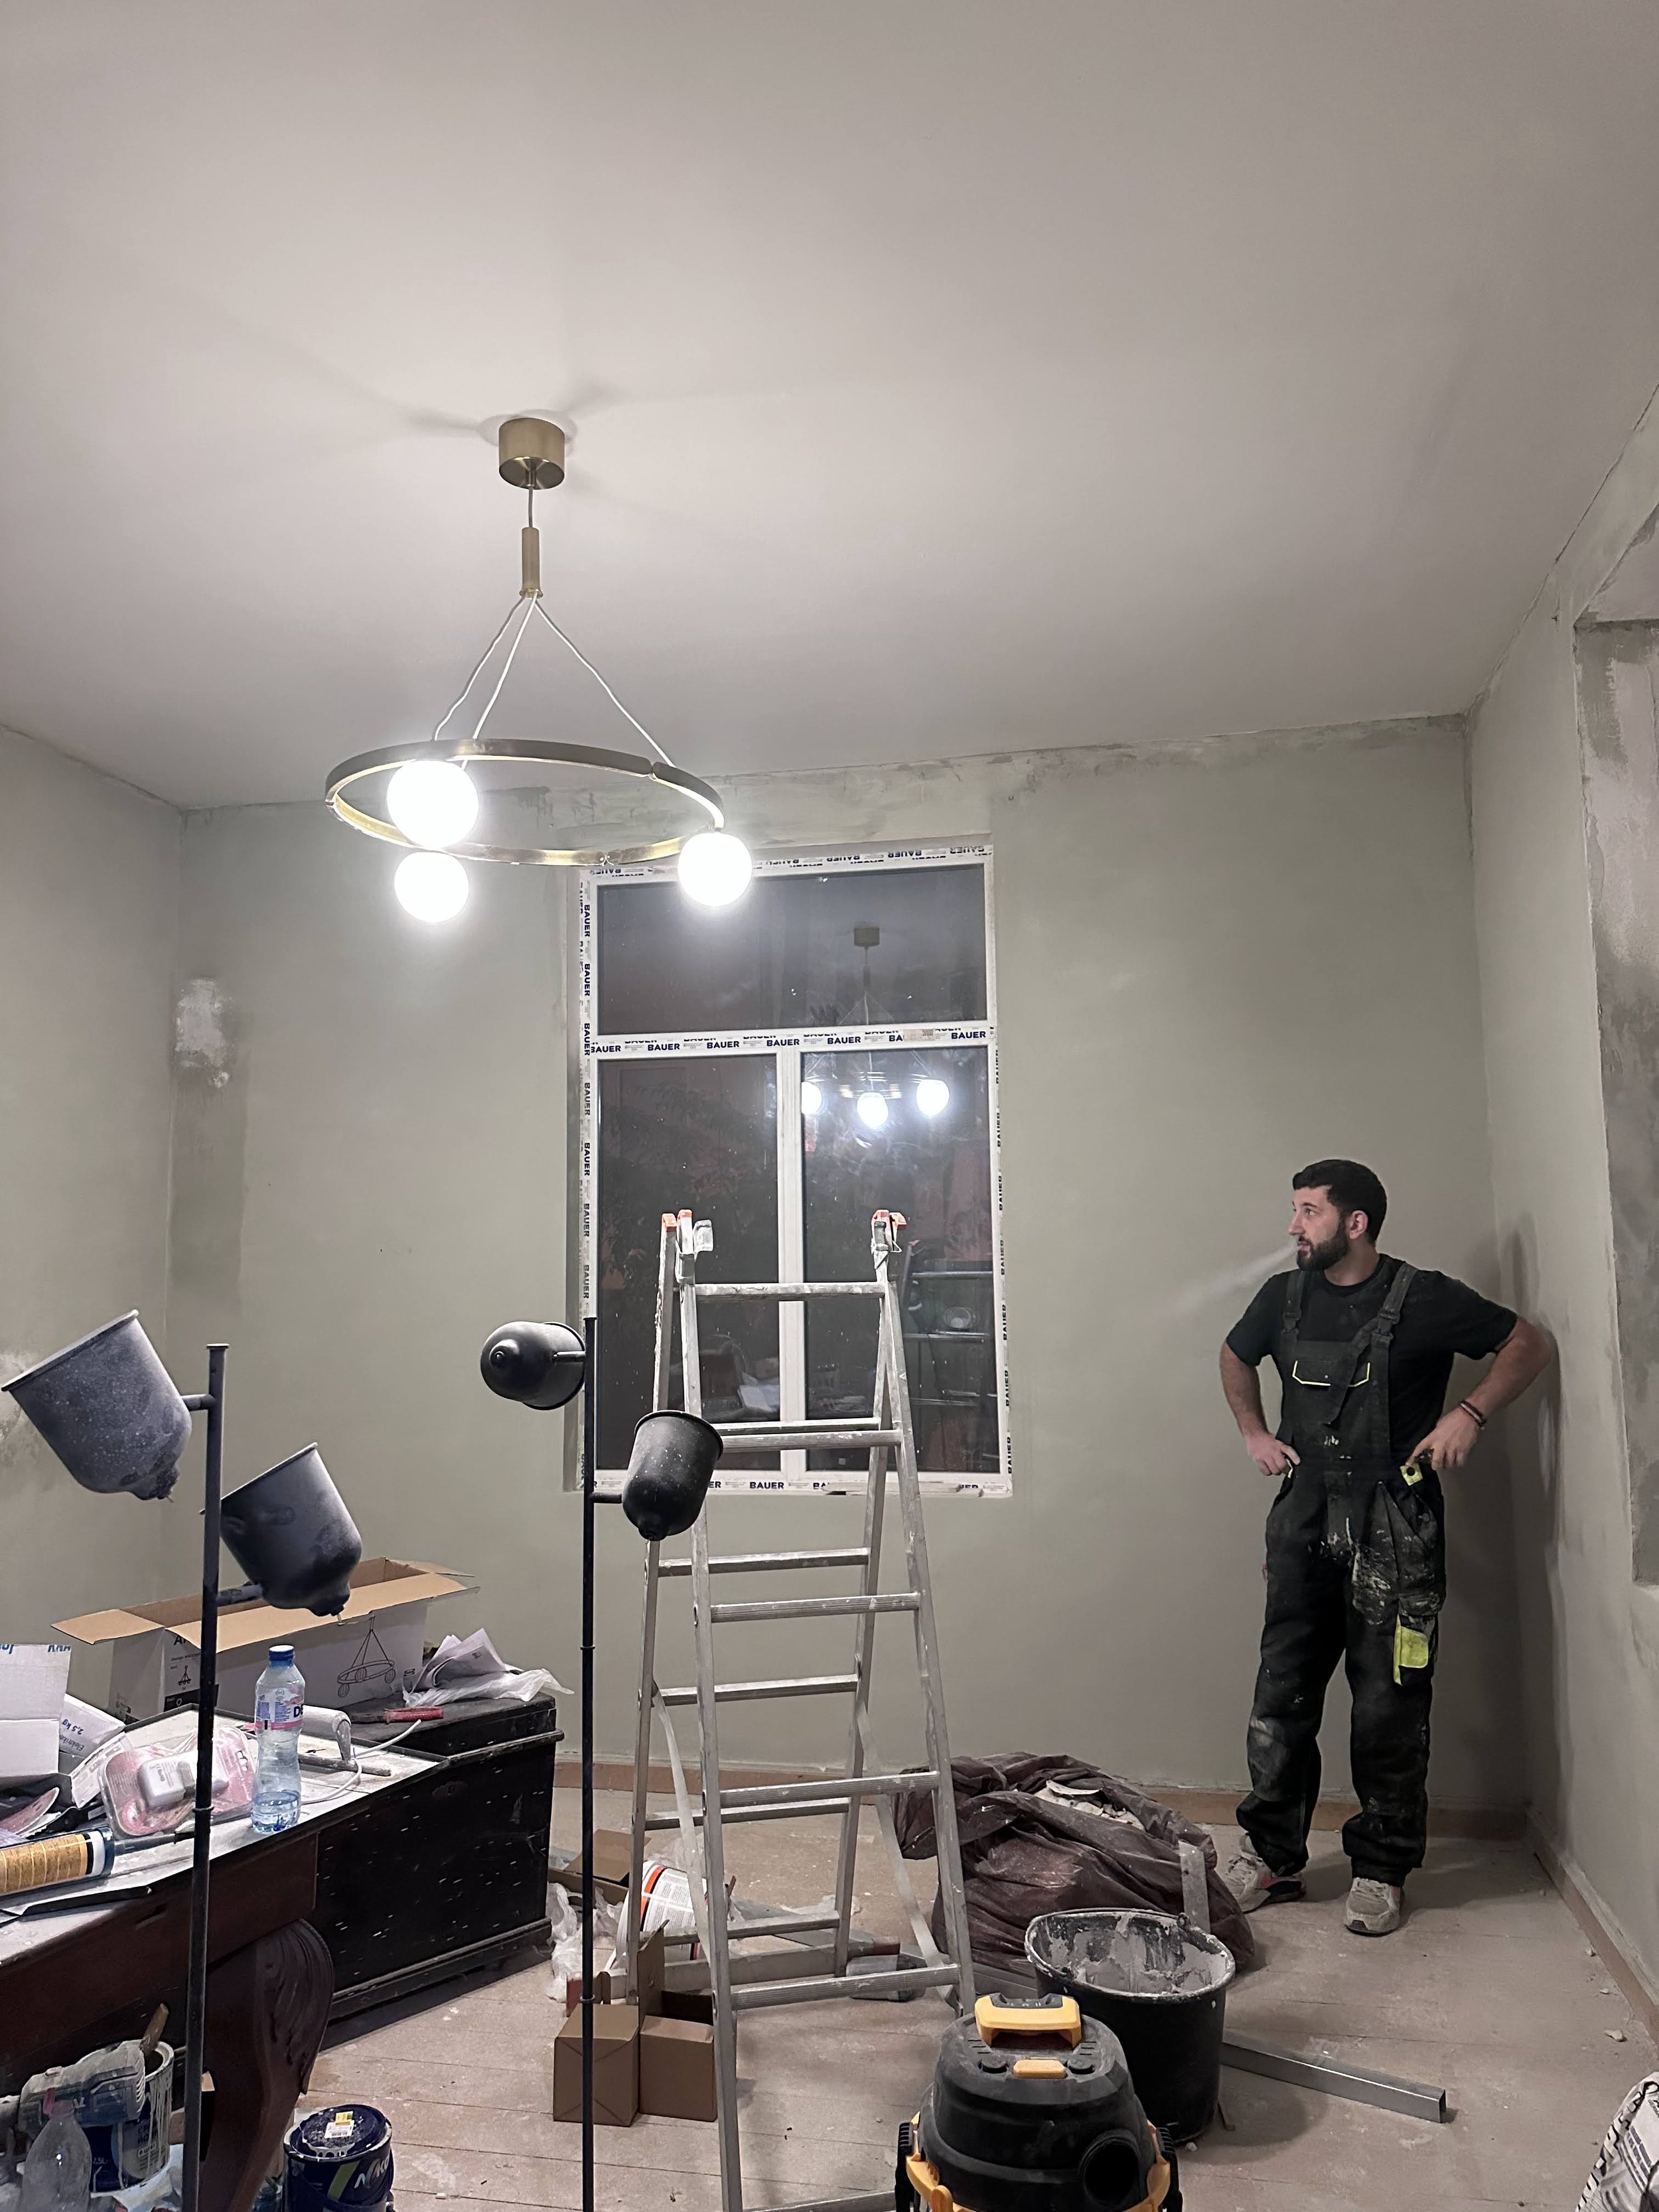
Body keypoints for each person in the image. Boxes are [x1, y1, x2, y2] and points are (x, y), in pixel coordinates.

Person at [1218, 1160, 1551, 1937]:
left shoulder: (1423, 1297)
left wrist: (1469, 1411)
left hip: (1395, 1531)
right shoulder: (1283, 1298)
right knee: (1282, 1696)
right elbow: (1235, 1355)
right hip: (1303, 1524)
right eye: (1295, 1211)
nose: (1293, 1227)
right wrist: (1254, 1433)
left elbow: (1525, 1344)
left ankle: (1380, 1868)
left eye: (1307, 1212)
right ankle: (1270, 1853)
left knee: (1388, 1707)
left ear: (1354, 1223)